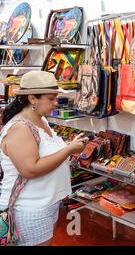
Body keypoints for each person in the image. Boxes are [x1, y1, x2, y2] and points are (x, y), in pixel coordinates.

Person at [0, 71, 88, 246]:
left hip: (45, 204)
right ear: (32, 99)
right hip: (29, 209)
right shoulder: (20, 128)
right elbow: (30, 169)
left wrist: (70, 146)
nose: (56, 103)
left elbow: (46, 153)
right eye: (51, 98)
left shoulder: (40, 121)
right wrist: (69, 150)